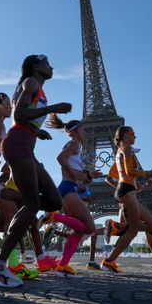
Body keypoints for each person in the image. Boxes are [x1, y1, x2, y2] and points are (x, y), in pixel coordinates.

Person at [0, 54, 72, 287]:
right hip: (18, 146)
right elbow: (18, 114)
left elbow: (19, 119)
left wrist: (37, 131)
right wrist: (53, 108)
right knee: (32, 205)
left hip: (25, 145)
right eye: (46, 61)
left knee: (53, 200)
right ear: (35, 66)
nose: (51, 65)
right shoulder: (30, 82)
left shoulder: (34, 86)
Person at [100, 126, 152, 274]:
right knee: (133, 231)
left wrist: (139, 184)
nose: (134, 135)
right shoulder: (127, 149)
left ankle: (116, 228)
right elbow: (130, 172)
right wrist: (150, 172)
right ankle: (109, 260)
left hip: (128, 190)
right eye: (131, 133)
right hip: (126, 191)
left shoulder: (121, 151)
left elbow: (125, 176)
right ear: (124, 136)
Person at [40, 114, 100, 276]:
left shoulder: (75, 147)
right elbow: (60, 159)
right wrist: (76, 175)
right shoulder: (73, 144)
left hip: (69, 188)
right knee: (90, 227)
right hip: (67, 188)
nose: (85, 132)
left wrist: (87, 176)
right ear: (75, 131)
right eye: (82, 129)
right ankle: (54, 217)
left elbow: (71, 169)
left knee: (79, 231)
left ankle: (62, 265)